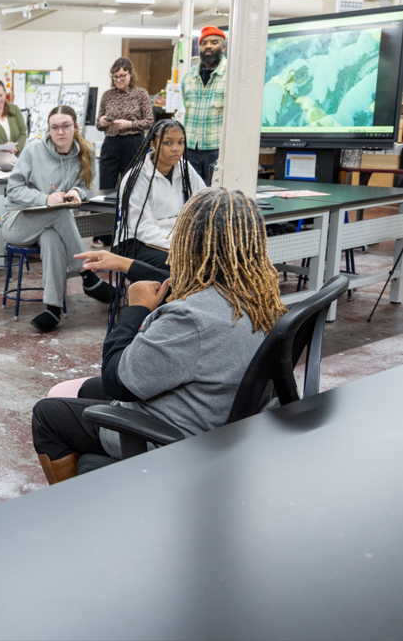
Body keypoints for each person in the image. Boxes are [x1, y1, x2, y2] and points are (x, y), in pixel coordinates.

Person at [31, 187, 288, 485]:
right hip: (217, 413)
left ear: (189, 244)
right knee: (89, 389)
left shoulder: (191, 318)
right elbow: (176, 284)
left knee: (47, 415)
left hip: (177, 436)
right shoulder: (257, 296)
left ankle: (73, 502)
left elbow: (118, 381)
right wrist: (122, 263)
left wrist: (135, 308)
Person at [3, 105, 112, 333]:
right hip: (17, 221)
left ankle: (53, 309)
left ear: (75, 127)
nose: (60, 132)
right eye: (54, 127)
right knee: (60, 212)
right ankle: (87, 275)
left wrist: (76, 192)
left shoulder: (86, 152)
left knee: (53, 239)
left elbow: (85, 186)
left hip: (50, 224)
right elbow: (13, 190)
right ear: (49, 129)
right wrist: (45, 199)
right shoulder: (33, 150)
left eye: (65, 126)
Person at [114, 119, 207, 271]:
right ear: (153, 145)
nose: (176, 149)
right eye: (168, 143)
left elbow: (204, 204)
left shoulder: (185, 169)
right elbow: (142, 228)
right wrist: (179, 242)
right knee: (182, 265)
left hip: (177, 239)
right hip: (136, 242)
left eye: (181, 142)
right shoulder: (137, 177)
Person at [95, 58, 154, 190]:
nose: (118, 80)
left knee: (131, 185)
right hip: (111, 143)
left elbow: (149, 122)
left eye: (122, 76)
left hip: (132, 143)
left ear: (130, 74)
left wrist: (129, 124)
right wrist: (102, 122)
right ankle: (105, 210)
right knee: (106, 184)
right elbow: (98, 124)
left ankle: (129, 210)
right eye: (115, 77)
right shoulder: (107, 95)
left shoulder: (141, 94)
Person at [182, 26, 228, 185]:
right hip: (190, 148)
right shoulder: (188, 77)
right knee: (190, 195)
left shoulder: (231, 75)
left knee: (215, 196)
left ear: (223, 48)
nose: (208, 46)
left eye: (214, 42)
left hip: (217, 150)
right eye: (204, 43)